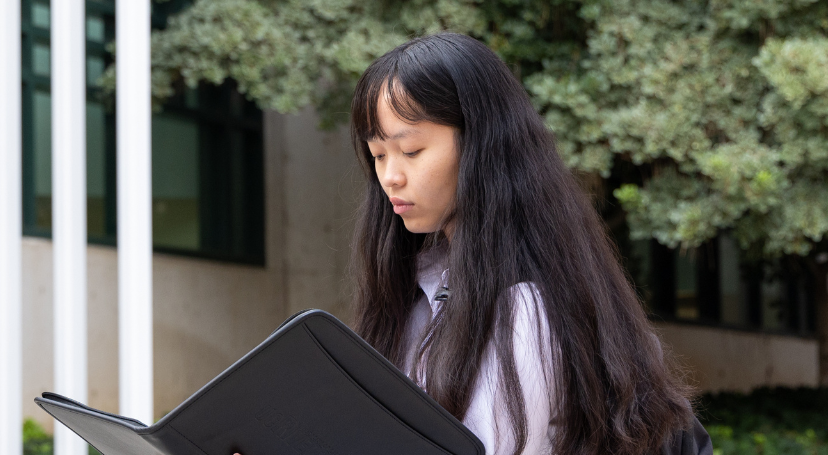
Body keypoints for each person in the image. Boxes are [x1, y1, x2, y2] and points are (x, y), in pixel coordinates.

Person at [245, 33, 704, 455]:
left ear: (482, 144)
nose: (391, 176)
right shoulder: (417, 288)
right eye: (378, 154)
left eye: (411, 151)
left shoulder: (527, 310)